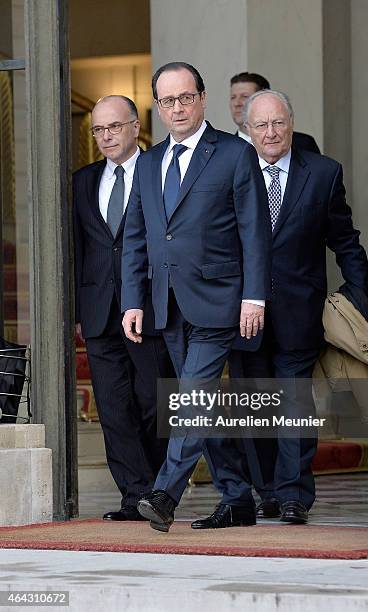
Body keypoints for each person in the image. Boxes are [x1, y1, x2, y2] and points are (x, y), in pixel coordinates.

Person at [122, 62, 271, 532]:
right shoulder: (147, 162)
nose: (177, 107)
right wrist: (133, 300)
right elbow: (137, 239)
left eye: (186, 97)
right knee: (200, 402)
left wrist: (254, 296)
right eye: (167, 100)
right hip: (167, 303)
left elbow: (255, 229)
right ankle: (236, 497)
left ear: (203, 98)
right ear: (157, 107)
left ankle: (165, 493)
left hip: (220, 298)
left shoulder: (232, 153)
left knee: (192, 396)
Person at [223, 89, 368, 524]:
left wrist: (358, 296)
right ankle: (266, 489)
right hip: (241, 312)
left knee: (294, 405)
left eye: (278, 123)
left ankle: (293, 495)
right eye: (261, 125)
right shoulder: (230, 170)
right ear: (247, 131)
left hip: (298, 311)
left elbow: (344, 239)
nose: (270, 133)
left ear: (291, 123)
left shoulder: (323, 173)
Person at [73, 95, 174, 521]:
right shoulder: (82, 180)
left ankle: (158, 488)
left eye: (114, 127)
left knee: (153, 402)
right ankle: (134, 496)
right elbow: (79, 248)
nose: (106, 136)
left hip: (149, 308)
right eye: (98, 129)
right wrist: (77, 309)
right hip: (99, 310)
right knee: (113, 408)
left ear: (136, 127)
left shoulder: (161, 173)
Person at [229, 71, 320, 153]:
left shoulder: (303, 144)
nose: (237, 103)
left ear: (265, 98)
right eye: (233, 97)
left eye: (244, 96)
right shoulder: (225, 149)